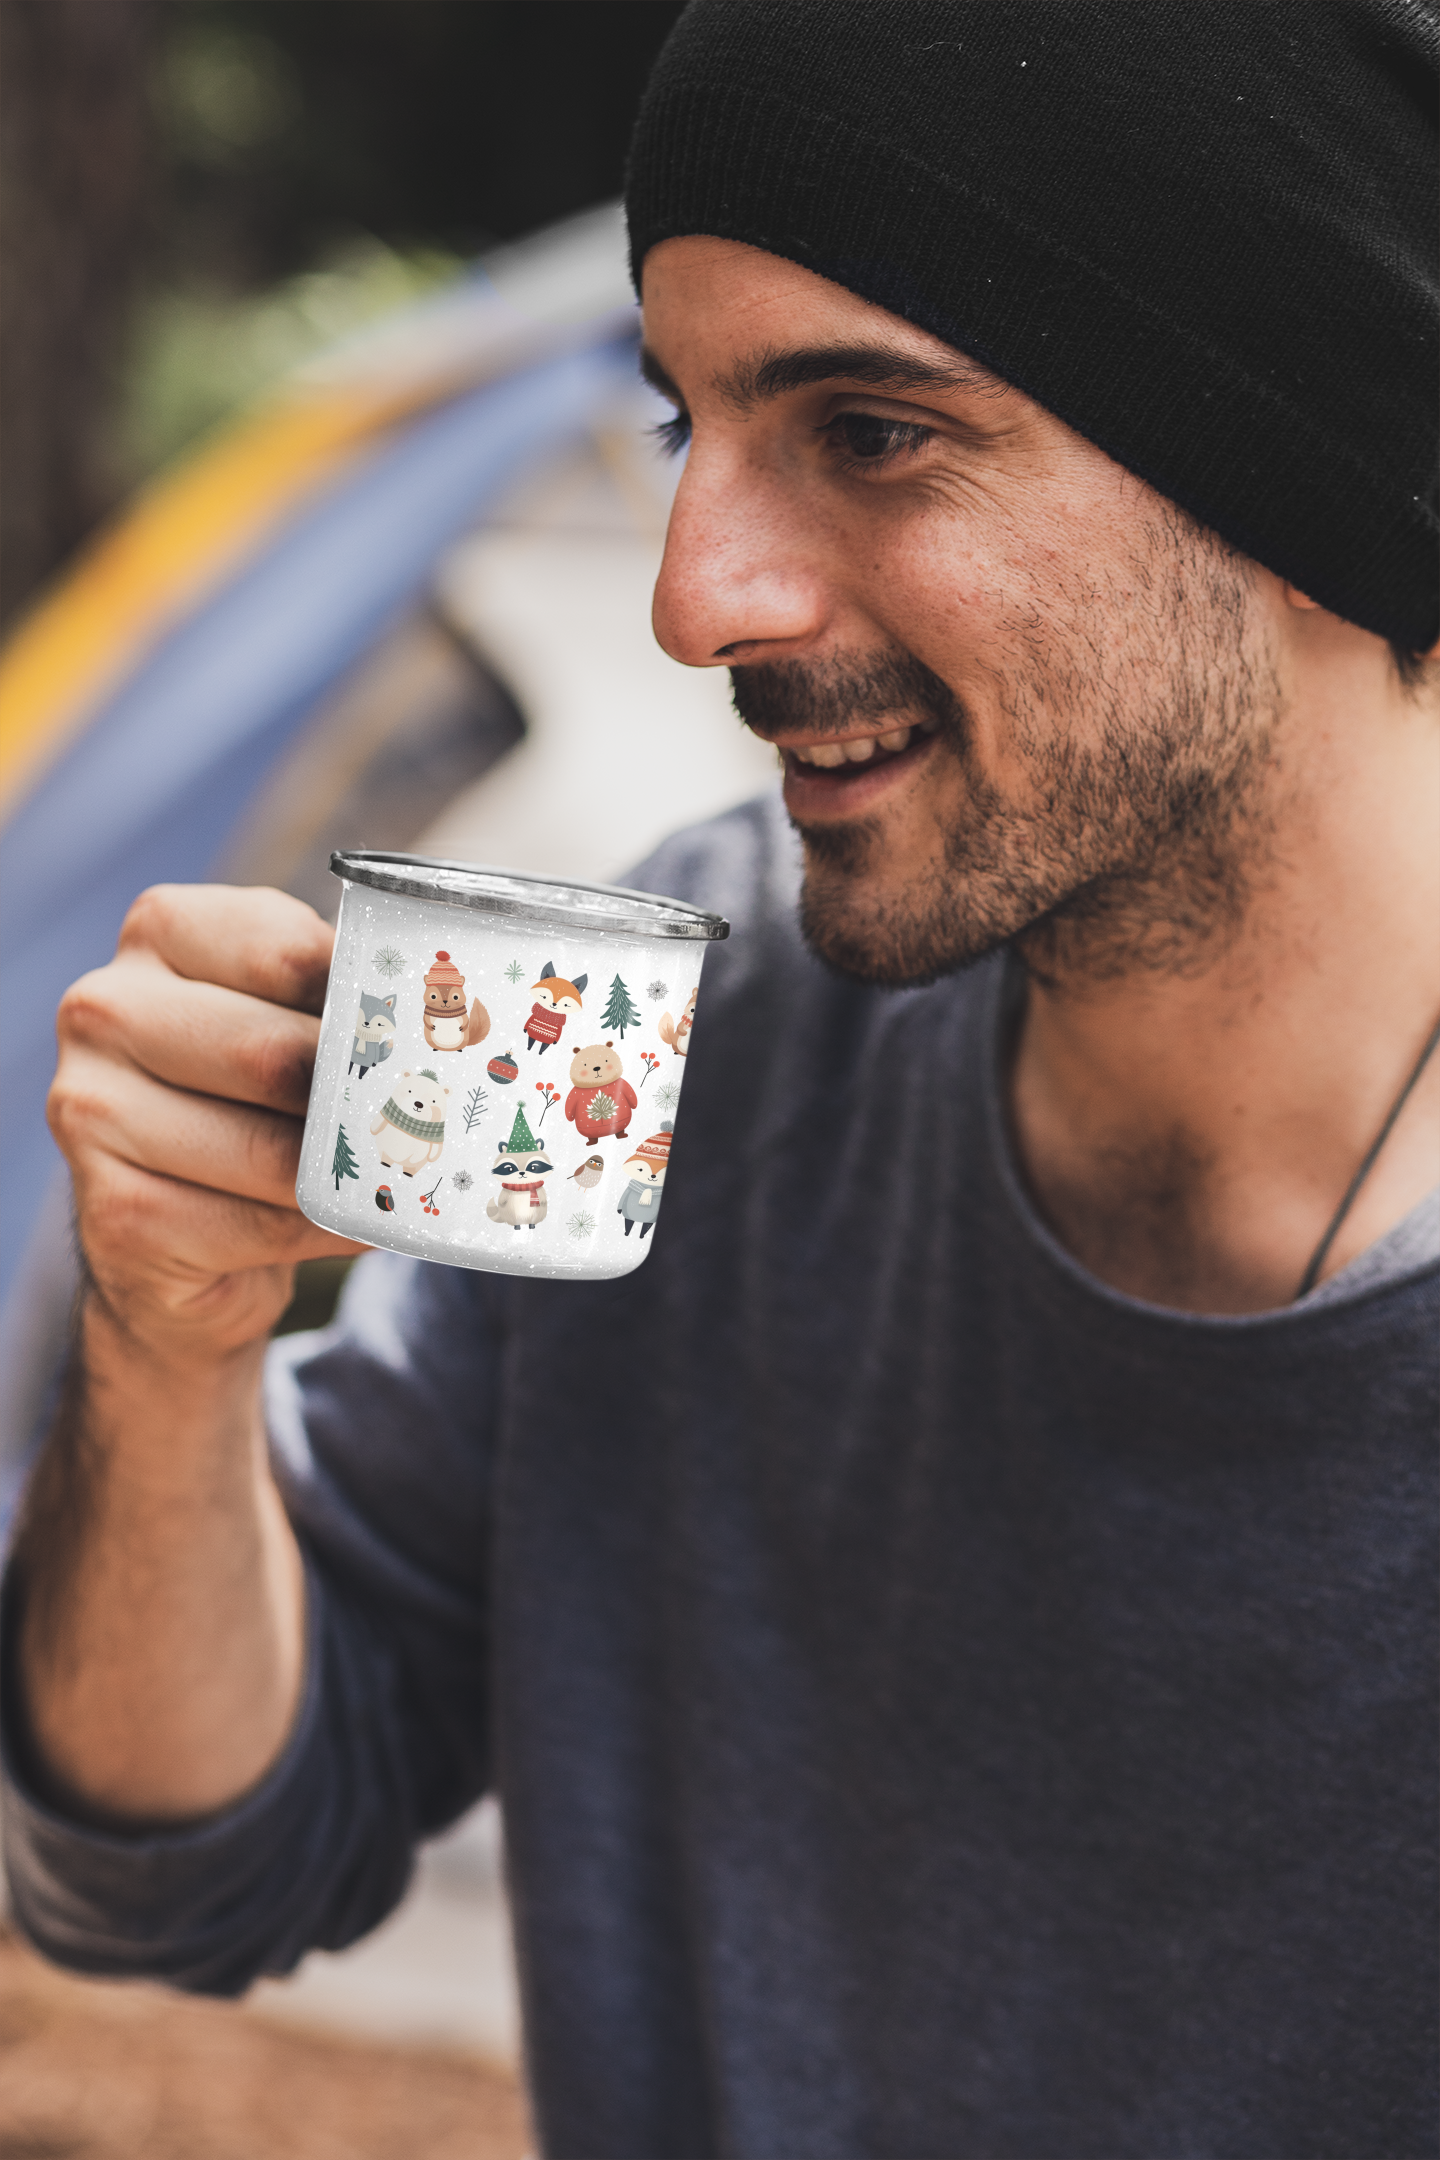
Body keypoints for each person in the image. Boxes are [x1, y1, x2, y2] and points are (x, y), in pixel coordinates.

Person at [4, 3, 1437, 2153]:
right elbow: (178, 1863)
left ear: (1300, 450)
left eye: (870, 429)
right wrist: (170, 1349)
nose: (697, 601)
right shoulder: (708, 1047)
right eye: (685, 430)